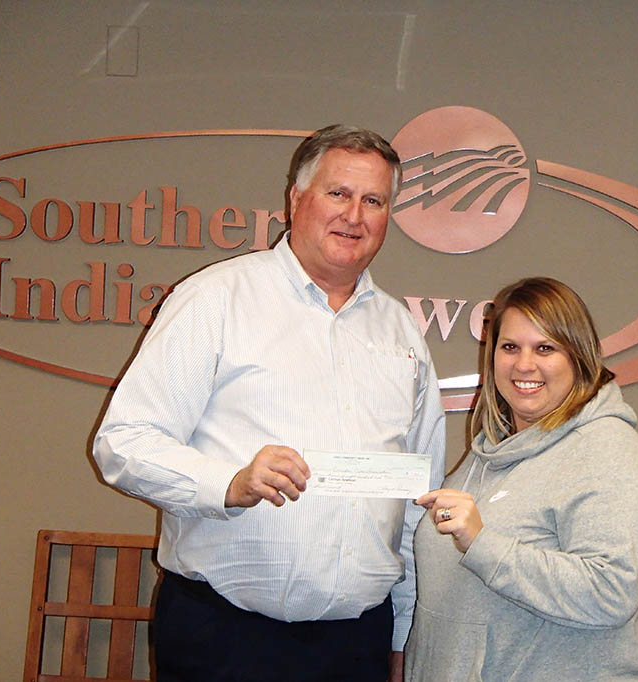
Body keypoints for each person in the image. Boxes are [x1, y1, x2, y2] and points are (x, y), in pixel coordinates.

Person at [93, 124, 446, 682]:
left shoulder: (401, 333)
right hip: (224, 640)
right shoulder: (216, 299)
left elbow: (414, 501)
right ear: (296, 199)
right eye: (338, 193)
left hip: (357, 646)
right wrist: (229, 483)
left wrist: (404, 635)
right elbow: (123, 443)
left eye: (373, 200)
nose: (354, 215)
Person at [404, 277, 638, 681]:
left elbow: (612, 592)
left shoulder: (609, 451)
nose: (524, 365)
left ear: (577, 356)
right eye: (510, 347)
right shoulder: (488, 453)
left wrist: (483, 544)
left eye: (545, 348)